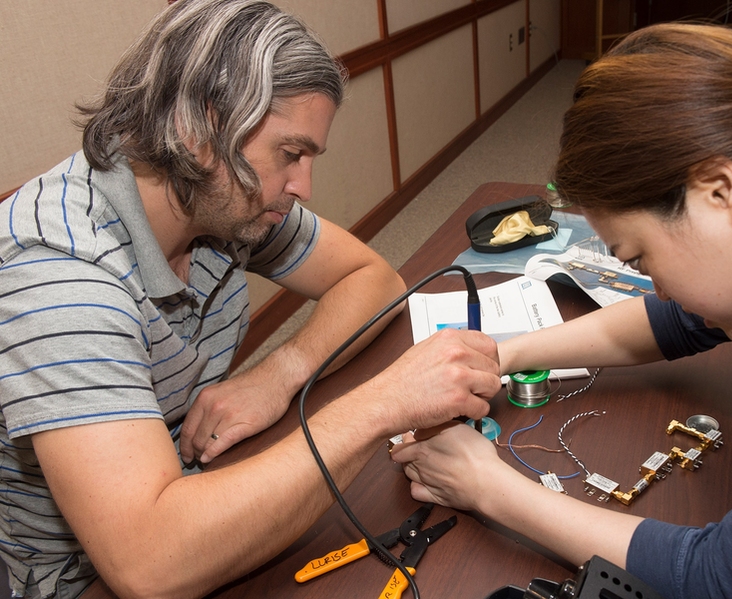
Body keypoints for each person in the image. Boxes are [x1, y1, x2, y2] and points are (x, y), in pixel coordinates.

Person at [0, 1, 500, 597]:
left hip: (195, 480)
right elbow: (149, 565)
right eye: (290, 154)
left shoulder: (211, 196)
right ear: (199, 131)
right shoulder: (60, 280)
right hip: (92, 573)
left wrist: (278, 373)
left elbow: (373, 279)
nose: (303, 187)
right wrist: (383, 404)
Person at [392, 22, 732, 599]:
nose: (655, 286)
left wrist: (486, 485)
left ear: (720, 191)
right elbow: (678, 318)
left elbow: (731, 582)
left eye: (641, 258)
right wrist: (500, 354)